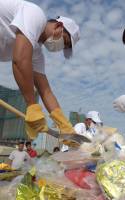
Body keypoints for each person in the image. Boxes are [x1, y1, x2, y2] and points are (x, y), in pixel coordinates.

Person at [0, 0, 80, 137]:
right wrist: (32, 106)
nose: (60, 47)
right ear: (59, 26)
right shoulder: (36, 15)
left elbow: (46, 91)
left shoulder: (36, 53)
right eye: (64, 42)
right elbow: (19, 61)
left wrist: (65, 126)